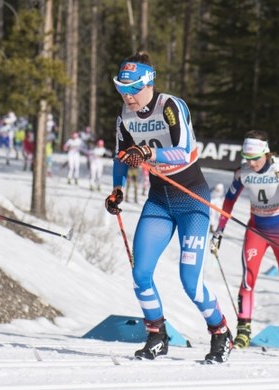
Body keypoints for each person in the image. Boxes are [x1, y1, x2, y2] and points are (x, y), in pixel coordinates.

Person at [104, 51, 233, 363]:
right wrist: (117, 189)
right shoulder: (125, 115)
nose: (127, 95)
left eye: (132, 89)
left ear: (148, 83)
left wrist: (148, 152)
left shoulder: (170, 106)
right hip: (160, 201)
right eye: (122, 89)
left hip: (191, 198)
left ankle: (220, 332)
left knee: (190, 282)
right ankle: (157, 335)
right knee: (141, 273)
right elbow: (121, 156)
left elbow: (183, 152)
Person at [210, 131, 279, 351]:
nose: (251, 163)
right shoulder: (243, 173)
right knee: (248, 279)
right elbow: (229, 202)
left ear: (266, 152)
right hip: (256, 229)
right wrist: (219, 232)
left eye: (255, 158)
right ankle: (244, 331)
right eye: (247, 158)